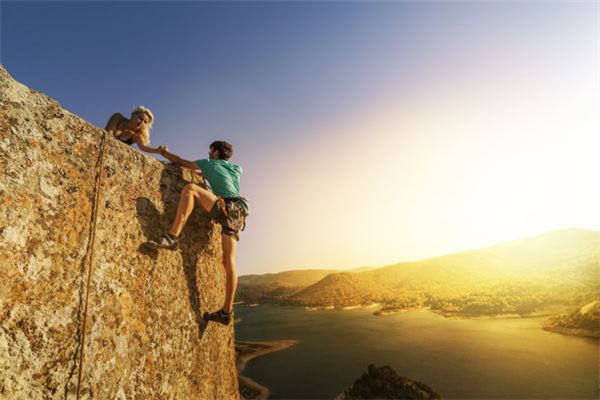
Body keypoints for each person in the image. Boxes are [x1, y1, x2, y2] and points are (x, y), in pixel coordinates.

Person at [145, 141, 249, 326]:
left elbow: (180, 161)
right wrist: (204, 174)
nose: (209, 153)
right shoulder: (235, 169)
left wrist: (164, 153)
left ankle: (171, 236)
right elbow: (221, 176)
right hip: (238, 211)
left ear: (215, 152)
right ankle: (226, 311)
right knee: (229, 261)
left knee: (190, 189)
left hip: (225, 205)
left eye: (211, 150)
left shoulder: (210, 163)